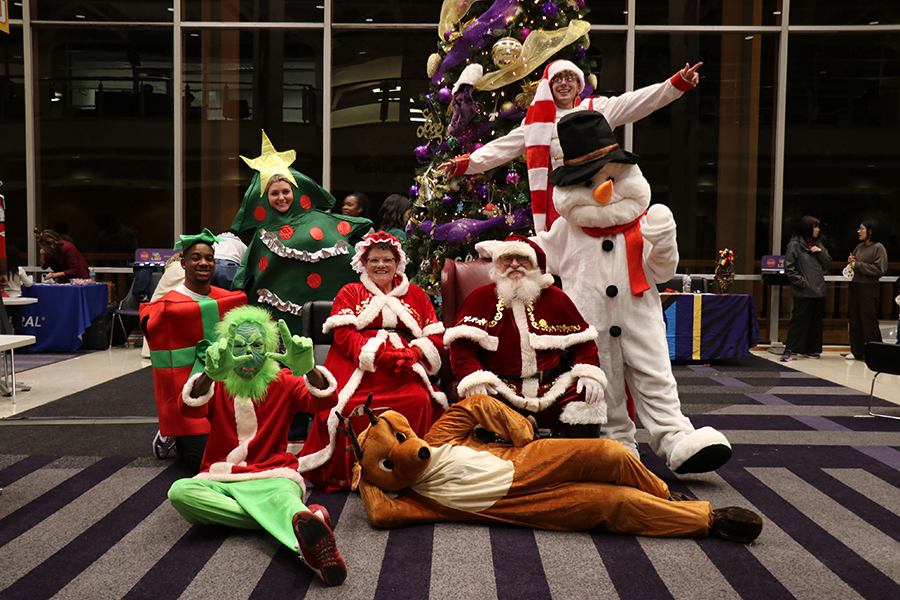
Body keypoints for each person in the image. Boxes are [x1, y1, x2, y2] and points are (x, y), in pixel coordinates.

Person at [167, 305, 347, 587]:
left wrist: (309, 369)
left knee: (283, 496)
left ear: (270, 347)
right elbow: (188, 409)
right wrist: (208, 375)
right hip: (222, 477)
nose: (248, 352)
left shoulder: (283, 380)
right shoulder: (220, 380)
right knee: (180, 492)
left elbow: (324, 401)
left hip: (273, 476)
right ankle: (300, 520)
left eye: (256, 344)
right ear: (228, 348)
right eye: (239, 345)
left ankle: (305, 548)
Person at [440, 59, 702, 233]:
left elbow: (638, 102)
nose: (564, 83)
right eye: (558, 79)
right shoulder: (538, 123)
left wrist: (676, 84)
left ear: (579, 84)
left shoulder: (597, 108)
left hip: (601, 193)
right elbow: (502, 148)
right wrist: (465, 164)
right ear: (550, 86)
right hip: (564, 201)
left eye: (569, 78)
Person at [297, 231, 448, 492]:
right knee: (349, 408)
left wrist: (414, 354)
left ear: (397, 262)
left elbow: (434, 335)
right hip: (357, 368)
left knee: (420, 400)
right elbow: (343, 335)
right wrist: (378, 356)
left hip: (403, 368)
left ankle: (410, 468)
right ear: (363, 264)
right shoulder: (350, 292)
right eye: (374, 260)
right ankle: (356, 472)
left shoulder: (416, 294)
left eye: (387, 259)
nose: (381, 265)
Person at [445, 235, 607, 436]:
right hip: (499, 390)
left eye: (521, 259)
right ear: (498, 265)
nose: (514, 264)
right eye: (507, 259)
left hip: (552, 389)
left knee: (587, 396)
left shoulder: (556, 298)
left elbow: (584, 344)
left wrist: (588, 372)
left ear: (534, 264)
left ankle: (583, 462)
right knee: (476, 402)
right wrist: (475, 378)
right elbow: (461, 350)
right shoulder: (480, 298)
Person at [140, 230, 247, 470]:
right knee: (207, 463)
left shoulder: (228, 300)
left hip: (224, 397)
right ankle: (173, 434)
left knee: (245, 455)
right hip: (189, 398)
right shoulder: (166, 306)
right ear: (183, 263)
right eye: (196, 257)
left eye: (209, 258)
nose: (204, 263)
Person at [782, 216, 832, 362]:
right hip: (803, 290)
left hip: (818, 289)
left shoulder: (818, 244)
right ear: (807, 228)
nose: (818, 230)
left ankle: (811, 349)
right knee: (798, 320)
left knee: (815, 322)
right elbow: (789, 268)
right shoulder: (795, 245)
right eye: (815, 227)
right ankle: (790, 349)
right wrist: (801, 282)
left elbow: (828, 263)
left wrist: (819, 252)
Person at [846, 220, 888, 361]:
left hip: (869, 287)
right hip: (856, 285)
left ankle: (875, 351)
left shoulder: (878, 248)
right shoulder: (859, 247)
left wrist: (858, 265)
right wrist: (852, 263)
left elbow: (879, 269)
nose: (859, 231)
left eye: (862, 229)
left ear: (870, 231)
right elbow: (855, 265)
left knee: (868, 319)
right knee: (855, 318)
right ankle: (857, 350)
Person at [3, 246, 34, 335]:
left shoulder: (2, 271)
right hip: (16, 299)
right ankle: (21, 347)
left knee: (3, 324)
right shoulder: (19, 270)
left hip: (4, 299)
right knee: (17, 323)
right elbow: (29, 284)